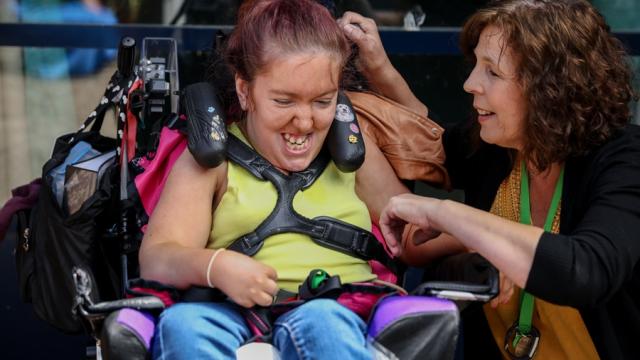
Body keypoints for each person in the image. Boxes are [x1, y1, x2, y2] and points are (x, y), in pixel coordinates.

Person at [339, 0, 640, 359]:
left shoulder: (626, 159)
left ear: (550, 89)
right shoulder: (499, 148)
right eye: (476, 66)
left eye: (492, 72)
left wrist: (446, 215)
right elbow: (426, 142)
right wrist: (379, 71)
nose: (469, 84)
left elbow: (587, 270)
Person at [138, 0, 415, 359]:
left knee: (321, 321)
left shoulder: (352, 153)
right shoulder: (211, 162)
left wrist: (472, 237)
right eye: (284, 102)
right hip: (232, 308)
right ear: (245, 91)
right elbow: (157, 258)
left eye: (322, 101)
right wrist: (214, 266)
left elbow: (412, 235)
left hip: (341, 304)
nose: (304, 121)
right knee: (183, 325)